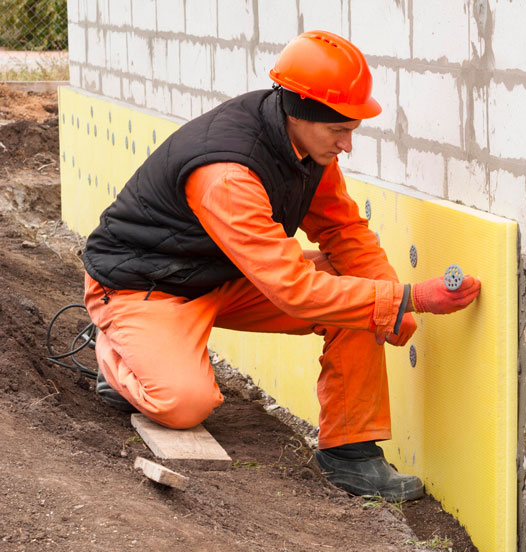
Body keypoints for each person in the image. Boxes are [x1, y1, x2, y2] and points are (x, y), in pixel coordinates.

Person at [80, 31, 481, 502]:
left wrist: (390, 298)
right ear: (302, 112)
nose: (348, 145)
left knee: (360, 293)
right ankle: (118, 356)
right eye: (339, 130)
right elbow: (293, 290)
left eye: (352, 128)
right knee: (185, 404)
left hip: (225, 274)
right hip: (146, 286)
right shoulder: (229, 173)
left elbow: (345, 232)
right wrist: (411, 297)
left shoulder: (306, 146)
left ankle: (350, 452)